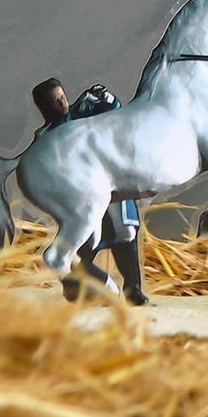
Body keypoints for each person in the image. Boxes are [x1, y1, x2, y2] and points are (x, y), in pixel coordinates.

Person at [31, 76, 147, 305]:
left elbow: (116, 114)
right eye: (55, 101)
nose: (62, 103)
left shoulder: (83, 111)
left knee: (126, 233)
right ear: (45, 108)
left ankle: (132, 288)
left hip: (107, 186)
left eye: (63, 97)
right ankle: (83, 286)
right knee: (82, 246)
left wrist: (107, 98)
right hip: (80, 198)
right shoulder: (45, 137)